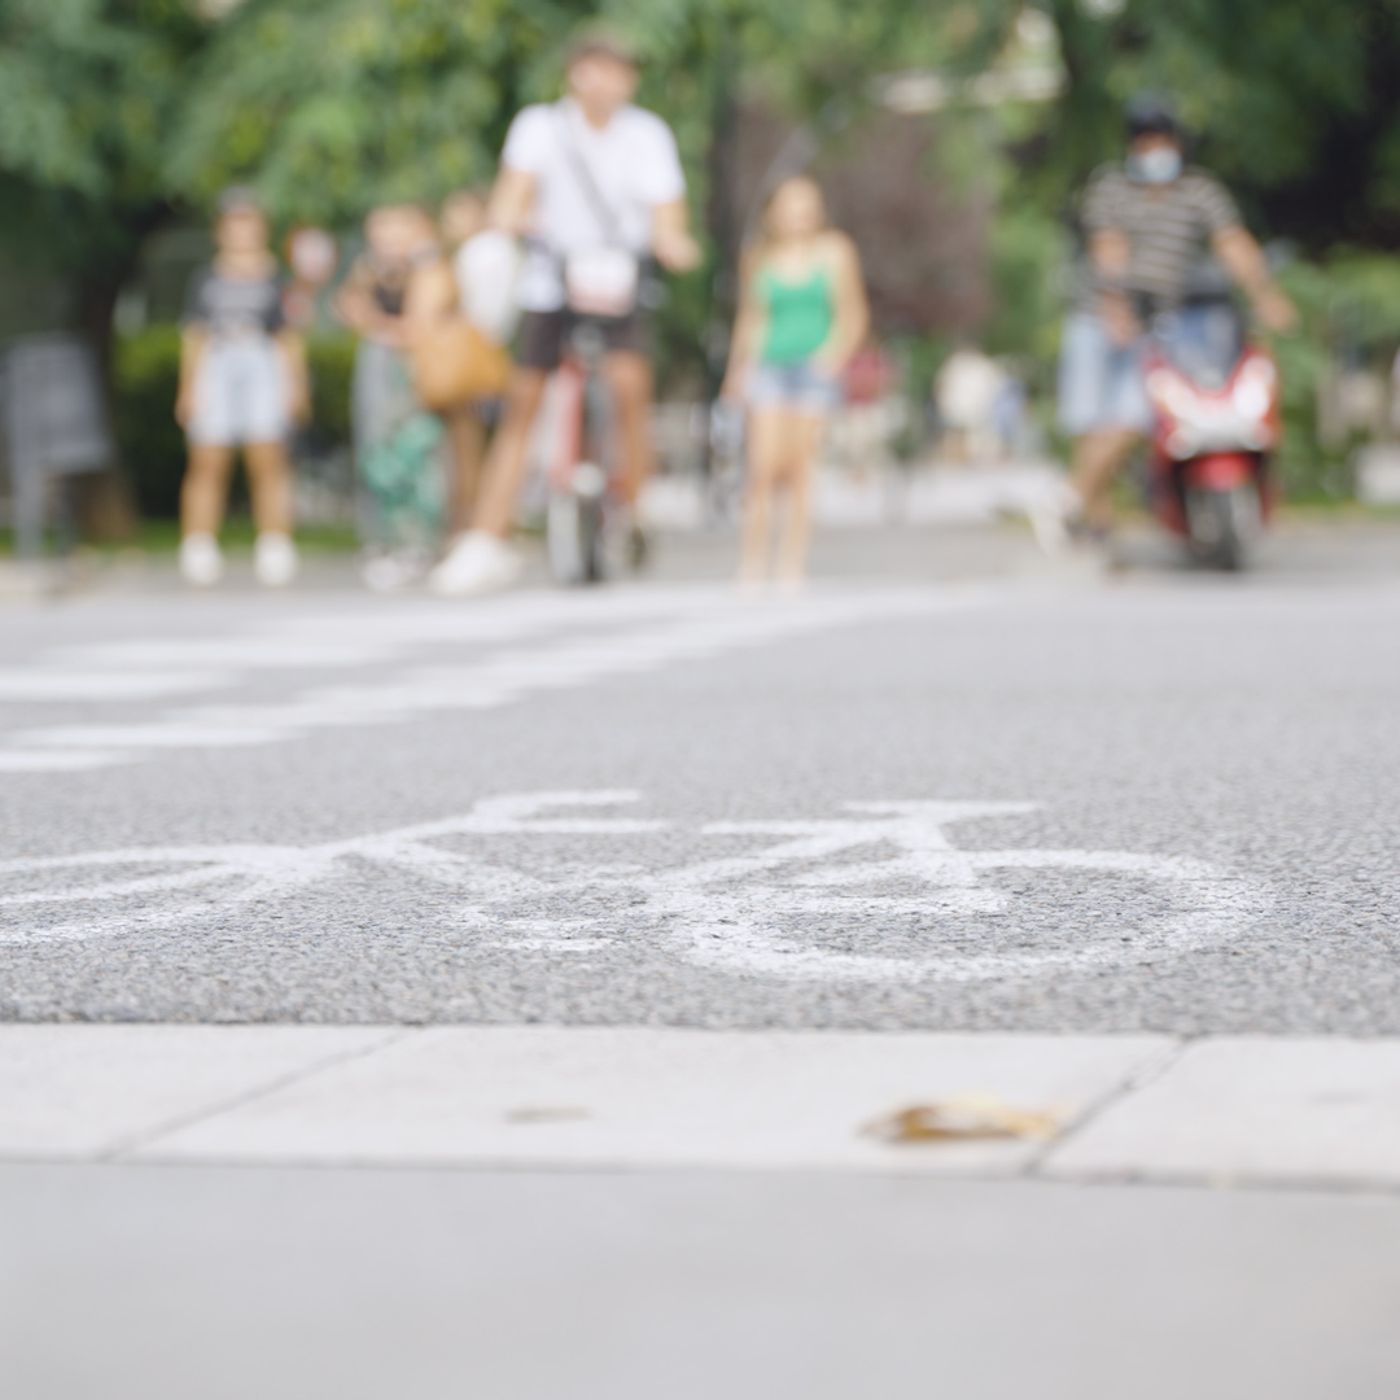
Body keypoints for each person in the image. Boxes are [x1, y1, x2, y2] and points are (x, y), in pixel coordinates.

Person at [429, 23, 701, 597]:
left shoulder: (647, 135)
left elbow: (667, 212)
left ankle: (633, 506)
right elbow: (511, 196)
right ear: (576, 71)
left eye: (620, 70)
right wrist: (513, 219)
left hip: (619, 280)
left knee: (629, 387)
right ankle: (486, 536)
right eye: (598, 67)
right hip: (554, 280)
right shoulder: (541, 127)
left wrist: (673, 242)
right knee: (524, 402)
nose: (608, 81)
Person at [1060, 94, 1296, 538]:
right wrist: (1116, 307)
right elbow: (1109, 251)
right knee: (1090, 423)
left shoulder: (1198, 191)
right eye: (1145, 140)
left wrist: (1265, 294)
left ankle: (1071, 501)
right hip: (1098, 317)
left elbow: (1233, 244)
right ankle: (1094, 521)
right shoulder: (1110, 186)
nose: (1154, 150)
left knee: (1132, 418)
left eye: (1161, 139)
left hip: (1159, 324)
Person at [722, 176, 869, 589]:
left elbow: (852, 313)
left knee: (801, 469)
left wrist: (834, 356)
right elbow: (752, 317)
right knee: (762, 468)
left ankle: (791, 565)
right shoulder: (759, 257)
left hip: (813, 369)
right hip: (769, 366)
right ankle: (752, 563)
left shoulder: (836, 252)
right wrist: (738, 369)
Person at [176, 187, 309, 587]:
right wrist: (188, 387)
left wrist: (296, 384)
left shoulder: (277, 278)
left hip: (262, 363)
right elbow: (194, 335)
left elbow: (289, 336)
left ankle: (275, 543)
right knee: (208, 459)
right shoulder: (206, 278)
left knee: (268, 457)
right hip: (217, 364)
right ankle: (199, 544)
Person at [334, 203, 444, 590]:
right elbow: (348, 306)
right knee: (376, 449)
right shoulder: (369, 269)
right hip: (378, 366)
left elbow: (422, 323)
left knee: (416, 452)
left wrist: (389, 328)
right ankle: (381, 539)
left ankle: (419, 541)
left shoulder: (430, 268)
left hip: (415, 369)